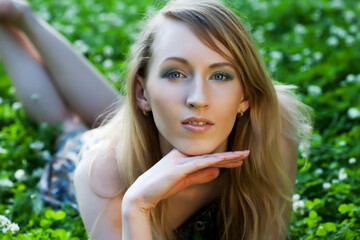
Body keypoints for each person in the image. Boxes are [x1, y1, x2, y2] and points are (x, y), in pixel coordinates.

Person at [0, 0, 311, 239]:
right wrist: (136, 206)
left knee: (119, 115)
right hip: (84, 160)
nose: (198, 98)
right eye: (175, 73)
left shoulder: (273, 123)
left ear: (245, 96)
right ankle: (10, 21)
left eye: (220, 75)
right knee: (66, 126)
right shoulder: (102, 175)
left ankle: (20, 13)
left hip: (142, 131)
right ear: (143, 92)